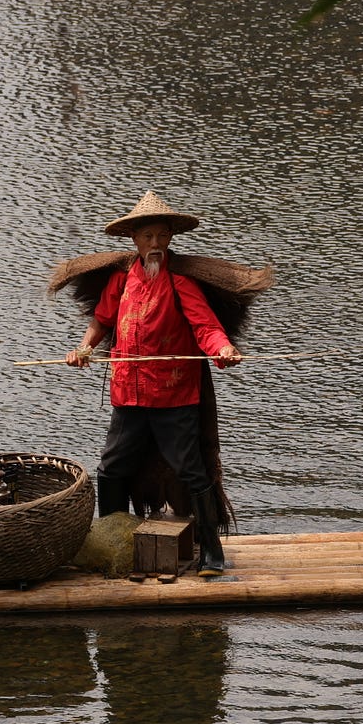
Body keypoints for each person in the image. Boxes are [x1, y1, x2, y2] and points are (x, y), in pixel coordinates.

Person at [64, 191, 245, 576]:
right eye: (148, 237)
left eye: (162, 236)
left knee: (192, 471)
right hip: (128, 394)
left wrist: (224, 348)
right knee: (112, 469)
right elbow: (102, 322)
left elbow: (206, 327)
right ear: (134, 239)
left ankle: (211, 551)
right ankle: (114, 546)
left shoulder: (181, 283)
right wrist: (83, 348)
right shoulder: (119, 281)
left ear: (170, 238)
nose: (156, 244)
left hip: (173, 395)